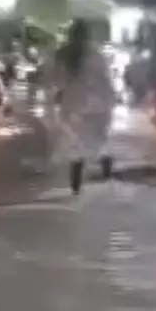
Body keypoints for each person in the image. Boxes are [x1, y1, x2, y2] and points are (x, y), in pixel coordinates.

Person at [48, 19, 117, 195]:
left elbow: (56, 79)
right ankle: (105, 166)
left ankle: (76, 182)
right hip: (97, 104)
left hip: (73, 104)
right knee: (98, 139)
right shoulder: (96, 55)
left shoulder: (62, 55)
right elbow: (105, 79)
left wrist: (58, 94)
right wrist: (111, 98)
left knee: (76, 143)